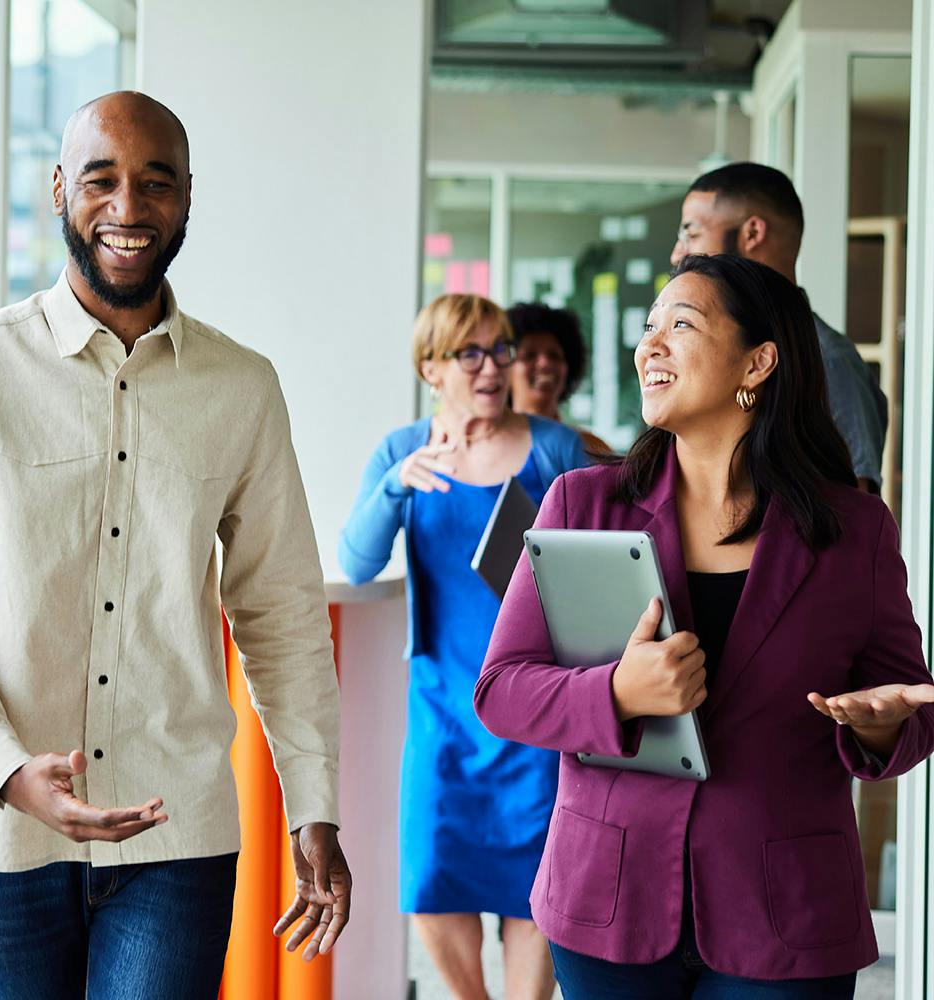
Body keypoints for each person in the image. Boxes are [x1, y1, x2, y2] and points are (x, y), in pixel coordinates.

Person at [0, 91, 350, 999]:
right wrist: (4, 769)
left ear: (188, 197)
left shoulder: (242, 387)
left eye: (155, 183)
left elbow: (279, 609)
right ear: (58, 191)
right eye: (101, 180)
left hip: (180, 834)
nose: (128, 208)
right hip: (12, 829)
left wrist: (314, 807)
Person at [475, 254, 934, 997]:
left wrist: (880, 729)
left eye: (680, 325)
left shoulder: (853, 530)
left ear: (758, 363)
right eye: (648, 327)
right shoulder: (581, 503)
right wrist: (618, 693)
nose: (649, 345)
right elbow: (501, 690)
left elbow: (908, 704)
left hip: (787, 914)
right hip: (608, 904)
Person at [339, 293, 587, 1000]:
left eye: (500, 349)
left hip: (538, 714)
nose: (491, 367)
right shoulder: (403, 449)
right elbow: (356, 563)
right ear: (431, 367)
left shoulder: (553, 448)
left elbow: (596, 569)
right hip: (442, 710)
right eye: (469, 353)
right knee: (434, 880)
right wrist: (394, 487)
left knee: (535, 892)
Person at [671, 161, 887, 493]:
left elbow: (855, 511)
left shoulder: (828, 360)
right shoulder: (710, 352)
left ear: (752, 233)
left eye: (692, 233)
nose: (677, 254)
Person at [507, 301, 610, 458]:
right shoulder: (488, 446)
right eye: (529, 355)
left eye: (554, 355)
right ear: (504, 369)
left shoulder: (591, 447)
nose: (545, 363)